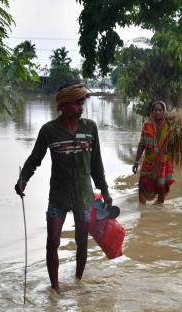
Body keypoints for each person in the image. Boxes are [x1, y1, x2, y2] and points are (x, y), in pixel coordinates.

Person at [14, 82, 112, 294]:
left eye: (81, 103)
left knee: (82, 242)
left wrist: (104, 190)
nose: (80, 108)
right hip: (58, 195)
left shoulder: (90, 128)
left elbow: (97, 163)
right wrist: (23, 179)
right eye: (76, 104)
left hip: (84, 195)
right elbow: (35, 159)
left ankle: (78, 280)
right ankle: (55, 289)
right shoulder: (49, 131)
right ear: (63, 106)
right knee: (52, 241)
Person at [131, 100, 175, 204]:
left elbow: (174, 145)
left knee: (161, 189)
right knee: (142, 185)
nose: (157, 112)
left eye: (160, 110)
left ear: (163, 111)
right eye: (155, 110)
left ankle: (158, 214)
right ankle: (142, 212)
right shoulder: (147, 125)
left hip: (163, 162)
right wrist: (136, 162)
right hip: (149, 161)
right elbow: (142, 144)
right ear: (152, 111)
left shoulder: (169, 126)